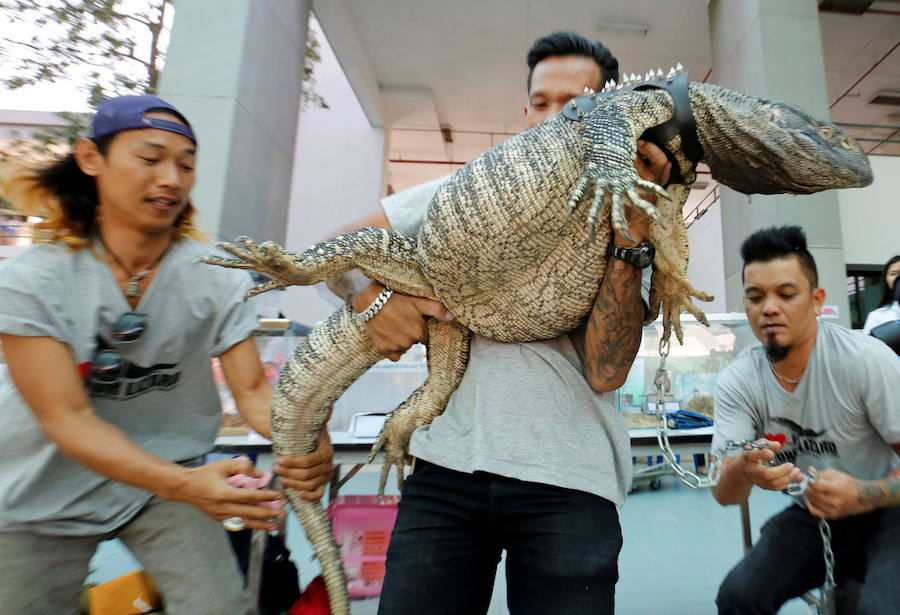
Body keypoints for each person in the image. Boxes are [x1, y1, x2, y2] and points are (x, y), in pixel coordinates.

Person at [324, 32, 671, 614]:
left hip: (570, 476)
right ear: (526, 109)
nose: (553, 118)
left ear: (608, 110)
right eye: (540, 103)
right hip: (445, 469)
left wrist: (629, 234)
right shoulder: (466, 190)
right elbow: (337, 250)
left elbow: (608, 369)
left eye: (576, 103)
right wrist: (376, 302)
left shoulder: (632, 209)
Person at [0, 95, 335, 615]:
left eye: (185, 165)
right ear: (91, 159)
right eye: (150, 159)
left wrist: (305, 436)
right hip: (39, 490)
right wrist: (187, 484)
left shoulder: (213, 274)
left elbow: (252, 391)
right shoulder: (30, 281)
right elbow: (67, 421)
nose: (172, 179)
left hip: (165, 482)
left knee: (222, 606)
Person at [710, 226, 900, 615]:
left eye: (786, 294)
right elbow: (724, 494)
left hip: (890, 511)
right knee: (737, 598)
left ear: (816, 300)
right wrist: (745, 468)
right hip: (811, 516)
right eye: (755, 297)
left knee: (877, 608)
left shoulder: (866, 361)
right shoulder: (739, 380)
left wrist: (864, 494)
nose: (769, 308)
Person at [862, 254, 900, 334]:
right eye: (893, 273)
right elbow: (866, 345)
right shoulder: (877, 316)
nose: (898, 277)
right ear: (886, 280)